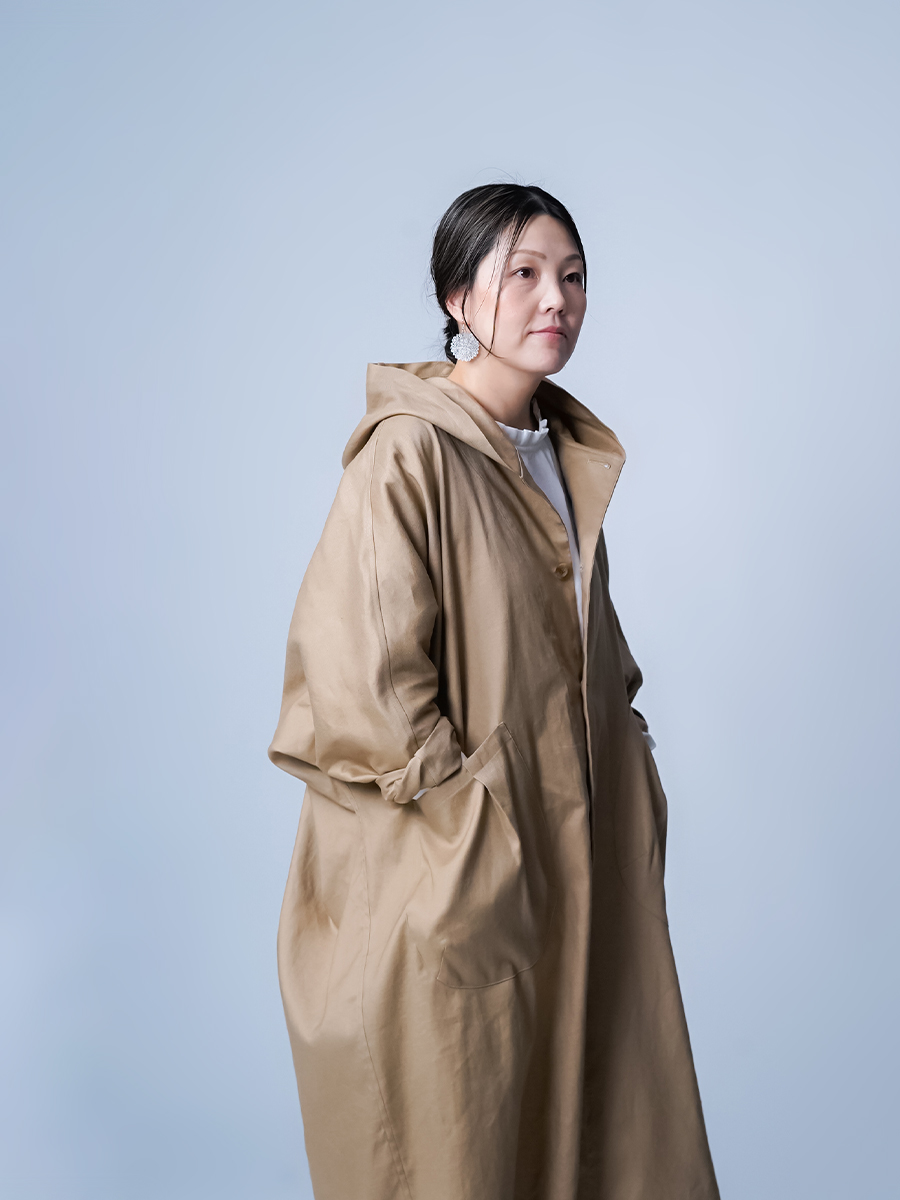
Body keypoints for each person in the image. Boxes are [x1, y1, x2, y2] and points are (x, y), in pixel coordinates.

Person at [268, 184, 719, 1200]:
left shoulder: (561, 455)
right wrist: (475, 836)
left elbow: (584, 654)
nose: (556, 298)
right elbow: (360, 678)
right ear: (458, 298)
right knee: (467, 1146)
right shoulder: (409, 454)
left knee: (601, 1136)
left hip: (580, 865)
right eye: (523, 273)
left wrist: (631, 774)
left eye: (572, 275)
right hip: (461, 877)